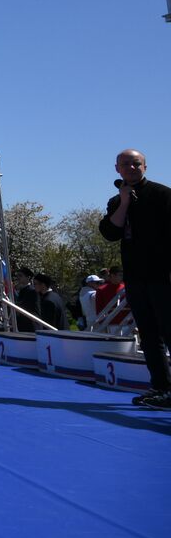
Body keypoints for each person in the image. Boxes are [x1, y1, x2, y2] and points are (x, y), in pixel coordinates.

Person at [98, 149, 171, 408]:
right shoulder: (117, 201)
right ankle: (162, 389)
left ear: (145, 166)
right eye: (125, 164)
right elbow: (110, 232)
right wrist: (125, 201)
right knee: (150, 337)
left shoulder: (163, 195)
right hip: (136, 278)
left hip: (164, 277)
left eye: (136, 163)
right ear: (117, 169)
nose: (131, 167)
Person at [93, 266, 131, 330]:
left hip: (128, 324)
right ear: (112, 275)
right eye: (120, 275)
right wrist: (103, 324)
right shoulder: (101, 290)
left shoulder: (126, 288)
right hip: (112, 325)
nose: (122, 277)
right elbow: (99, 309)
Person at [12, 267, 40, 332]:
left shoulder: (32, 291)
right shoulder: (22, 290)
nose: (18, 278)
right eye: (17, 275)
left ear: (28, 277)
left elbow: (25, 306)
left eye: (20, 275)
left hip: (30, 325)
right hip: (23, 324)